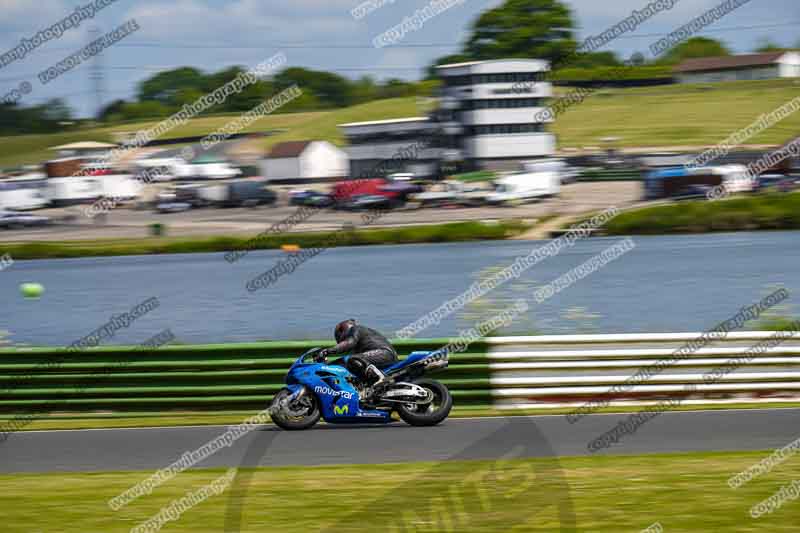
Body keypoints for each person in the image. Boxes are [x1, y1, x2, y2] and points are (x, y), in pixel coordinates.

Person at [319, 319, 397, 398]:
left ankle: (380, 378)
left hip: (384, 352)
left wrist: (328, 351)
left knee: (354, 359)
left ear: (342, 330)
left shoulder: (355, 329)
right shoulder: (362, 337)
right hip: (386, 354)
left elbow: (348, 343)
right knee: (355, 364)